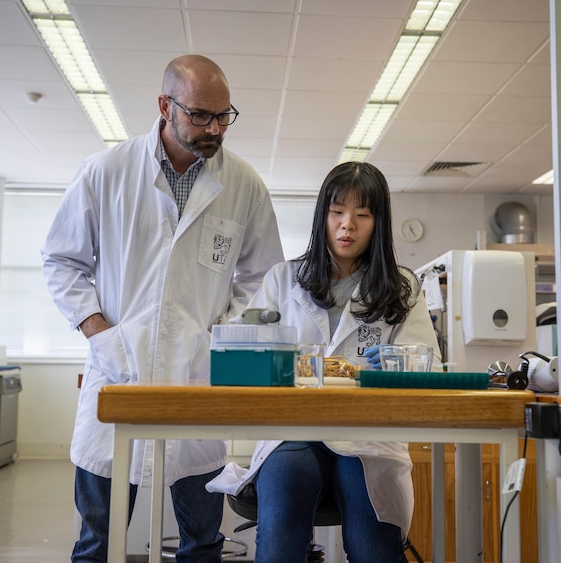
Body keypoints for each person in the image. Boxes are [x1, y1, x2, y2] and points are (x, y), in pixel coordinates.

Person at [41, 54, 285, 563]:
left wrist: (224, 330)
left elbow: (264, 278)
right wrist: (100, 332)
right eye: (200, 115)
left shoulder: (243, 185)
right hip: (117, 374)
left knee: (202, 542)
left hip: (197, 379)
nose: (215, 128)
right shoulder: (106, 172)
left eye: (224, 116)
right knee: (97, 543)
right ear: (164, 106)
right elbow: (62, 261)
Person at [207, 162, 440, 562]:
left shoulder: (403, 288)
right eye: (337, 213)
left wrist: (397, 363)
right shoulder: (283, 279)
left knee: (373, 548)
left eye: (362, 215)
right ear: (323, 216)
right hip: (295, 430)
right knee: (279, 537)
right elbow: (247, 355)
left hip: (369, 438)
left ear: (377, 222)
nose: (347, 225)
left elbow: (428, 366)